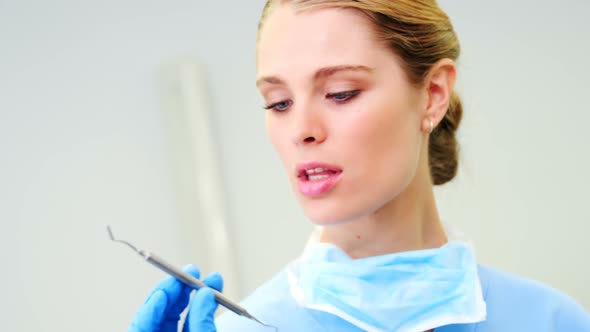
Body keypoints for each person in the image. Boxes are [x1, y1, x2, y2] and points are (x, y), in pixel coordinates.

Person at [128, 1, 590, 331]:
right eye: (279, 102)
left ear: (432, 95)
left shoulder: (551, 321)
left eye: (341, 93)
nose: (302, 129)